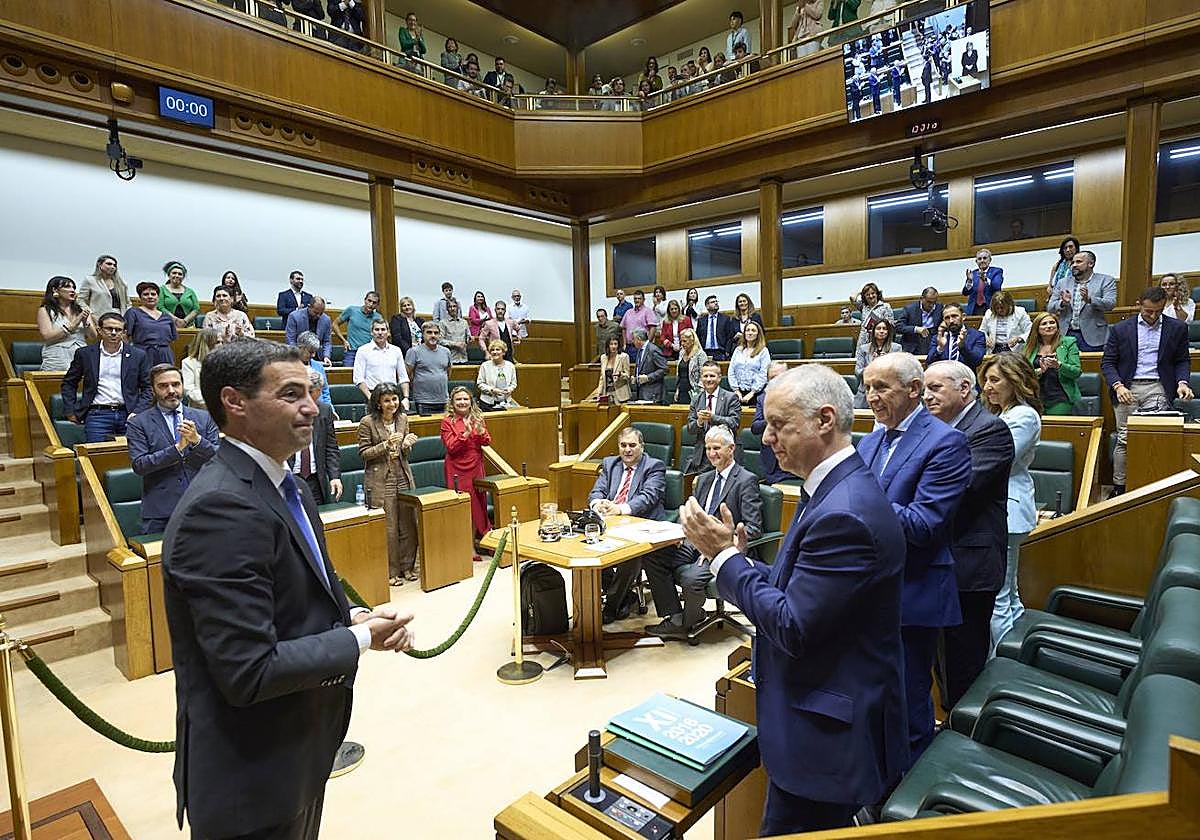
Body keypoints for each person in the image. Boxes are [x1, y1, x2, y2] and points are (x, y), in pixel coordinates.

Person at [162, 340, 415, 840]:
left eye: (312, 393)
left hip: (299, 750)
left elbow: (303, 589)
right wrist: (362, 639)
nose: (312, 408)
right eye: (291, 394)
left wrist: (353, 617)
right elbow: (248, 670)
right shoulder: (220, 508)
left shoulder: (289, 486)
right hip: (253, 775)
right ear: (234, 402)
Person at [680, 364, 907, 834]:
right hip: (818, 719)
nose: (766, 439)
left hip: (826, 739)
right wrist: (743, 562)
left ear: (824, 420)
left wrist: (723, 559)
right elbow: (804, 587)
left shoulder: (844, 513)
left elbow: (793, 625)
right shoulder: (834, 488)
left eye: (778, 425)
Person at [858, 352, 970, 763]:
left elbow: (925, 525)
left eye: (881, 387)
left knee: (907, 702)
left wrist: (860, 501)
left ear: (914, 389)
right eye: (867, 388)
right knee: (873, 697)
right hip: (867, 591)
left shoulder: (946, 442)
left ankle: (911, 785)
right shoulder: (869, 441)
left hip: (913, 591)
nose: (872, 396)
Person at [922, 360, 1013, 708]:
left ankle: (966, 732)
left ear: (964, 389)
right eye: (924, 389)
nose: (926, 396)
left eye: (935, 388)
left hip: (968, 568)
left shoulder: (989, 430)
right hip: (936, 561)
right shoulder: (934, 428)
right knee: (940, 663)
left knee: (964, 666)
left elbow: (958, 489)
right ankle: (950, 720)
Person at [644, 426, 761, 639]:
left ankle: (688, 624)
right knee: (653, 556)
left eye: (716, 448)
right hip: (692, 542)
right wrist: (677, 531)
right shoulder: (705, 478)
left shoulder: (746, 480)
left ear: (731, 449)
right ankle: (676, 617)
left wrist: (721, 545)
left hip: (720, 548)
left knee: (691, 578)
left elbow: (753, 528)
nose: (711, 453)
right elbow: (692, 512)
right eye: (708, 448)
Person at [1102, 286, 1194, 496]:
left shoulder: (1177, 328)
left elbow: (1182, 360)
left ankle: (1152, 487)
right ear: (1139, 305)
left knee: (1154, 437)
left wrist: (1182, 382)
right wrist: (1118, 386)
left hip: (1158, 387)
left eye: (1158, 311)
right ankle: (1120, 488)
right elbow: (1108, 362)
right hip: (1127, 387)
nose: (1153, 316)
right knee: (1125, 438)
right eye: (1148, 311)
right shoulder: (1120, 329)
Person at [978, 353, 1042, 651]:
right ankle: (1015, 654)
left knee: (998, 598)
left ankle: (998, 665)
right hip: (1002, 508)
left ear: (1015, 381)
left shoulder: (1023, 416)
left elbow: (999, 459)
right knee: (1010, 593)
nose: (987, 387)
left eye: (995, 380)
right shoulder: (1003, 414)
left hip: (1009, 509)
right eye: (985, 380)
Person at [127, 364, 220, 535]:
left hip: (204, 505)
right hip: (160, 511)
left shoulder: (205, 418)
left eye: (175, 384)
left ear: (182, 385)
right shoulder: (138, 423)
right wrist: (177, 449)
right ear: (153, 390)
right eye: (163, 386)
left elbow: (220, 459)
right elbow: (140, 465)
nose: (171, 390)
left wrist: (197, 441)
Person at [589, 427, 667, 623]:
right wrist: (598, 504)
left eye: (632, 445)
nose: (627, 450)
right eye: (623, 445)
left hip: (642, 523)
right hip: (611, 523)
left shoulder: (654, 466)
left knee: (630, 557)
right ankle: (625, 596)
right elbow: (597, 491)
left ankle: (612, 606)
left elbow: (648, 498)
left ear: (642, 446)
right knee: (589, 548)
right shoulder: (610, 464)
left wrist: (619, 508)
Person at [359, 382, 419, 585]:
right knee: (389, 527)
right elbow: (364, 453)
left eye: (394, 399)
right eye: (387, 400)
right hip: (381, 479)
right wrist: (386, 444)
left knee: (409, 524)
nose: (392, 404)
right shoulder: (367, 422)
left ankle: (407, 567)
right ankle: (392, 572)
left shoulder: (403, 419)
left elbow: (404, 452)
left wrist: (406, 445)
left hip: (402, 475)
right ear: (378, 403)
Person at [61, 312, 152, 443]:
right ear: (100, 330)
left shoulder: (138, 355)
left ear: (124, 332)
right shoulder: (85, 354)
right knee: (97, 453)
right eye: (109, 329)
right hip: (97, 415)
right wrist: (70, 410)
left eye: (118, 330)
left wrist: (138, 411)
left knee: (133, 453)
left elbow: (148, 388)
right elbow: (69, 383)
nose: (113, 333)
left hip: (129, 414)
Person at [441, 386, 492, 547]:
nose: (462, 402)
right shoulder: (447, 422)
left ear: (471, 402)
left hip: (475, 466)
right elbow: (451, 447)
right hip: (457, 469)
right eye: (458, 399)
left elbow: (486, 441)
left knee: (478, 505)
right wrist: (466, 434)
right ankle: (466, 546)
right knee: (465, 506)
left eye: (465, 399)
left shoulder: (477, 418)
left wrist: (481, 432)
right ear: (452, 403)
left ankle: (479, 540)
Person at [1047, 249, 1117, 352]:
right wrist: (1063, 303)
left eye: (1078, 262)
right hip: (1066, 334)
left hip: (1093, 335)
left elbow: (1110, 304)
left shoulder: (1105, 280)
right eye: (1073, 262)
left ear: (1091, 264)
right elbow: (1050, 307)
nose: (1074, 265)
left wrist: (1090, 300)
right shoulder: (1062, 283)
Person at [684, 361, 741, 472]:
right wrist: (699, 422)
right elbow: (690, 429)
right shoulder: (696, 399)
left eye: (712, 376)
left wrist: (713, 418)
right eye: (705, 376)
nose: (708, 379)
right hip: (702, 456)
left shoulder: (731, 397)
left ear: (719, 378)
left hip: (724, 454)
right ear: (701, 378)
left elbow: (734, 423)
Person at [751, 362, 799, 484]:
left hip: (797, 460)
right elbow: (755, 427)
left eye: (780, 376)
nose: (776, 381)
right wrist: (772, 419)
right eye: (772, 378)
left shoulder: (800, 396)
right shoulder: (762, 398)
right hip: (773, 465)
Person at [1026, 312, 1082, 415]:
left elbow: (1076, 372)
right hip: (1034, 397)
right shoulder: (1030, 346)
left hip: (1060, 396)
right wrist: (1039, 371)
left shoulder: (1068, 342)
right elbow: (1023, 374)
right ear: (1037, 328)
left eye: (1052, 322)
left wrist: (1059, 365)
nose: (1049, 326)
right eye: (1044, 324)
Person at [37, 275, 96, 371]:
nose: (72, 290)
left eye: (74, 288)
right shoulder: (46, 310)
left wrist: (85, 322)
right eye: (67, 287)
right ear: (55, 290)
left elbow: (93, 337)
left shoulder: (82, 310)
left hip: (81, 353)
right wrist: (75, 323)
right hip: (57, 356)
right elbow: (47, 336)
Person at [353, 320, 410, 405]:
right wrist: (370, 398)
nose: (380, 333)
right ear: (371, 332)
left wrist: (406, 398)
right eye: (377, 330)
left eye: (383, 329)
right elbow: (358, 378)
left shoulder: (396, 350)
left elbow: (403, 377)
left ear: (388, 332)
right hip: (373, 394)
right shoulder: (363, 350)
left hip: (392, 395)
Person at [125, 282, 178, 367]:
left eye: (153, 294)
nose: (150, 297)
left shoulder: (167, 316)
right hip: (142, 353)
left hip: (165, 355)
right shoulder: (133, 312)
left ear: (158, 297)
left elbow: (173, 339)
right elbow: (125, 336)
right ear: (140, 297)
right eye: (146, 294)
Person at [406, 322, 453, 414]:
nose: (433, 335)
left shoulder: (446, 352)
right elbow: (408, 374)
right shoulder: (414, 351)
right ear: (423, 335)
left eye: (436, 333)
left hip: (443, 399)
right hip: (423, 401)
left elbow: (448, 373)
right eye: (429, 332)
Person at [854, 319, 900, 408]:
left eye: (884, 329)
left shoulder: (896, 348)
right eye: (878, 328)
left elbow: (897, 372)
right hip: (865, 395)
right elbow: (858, 372)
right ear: (873, 331)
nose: (881, 331)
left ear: (888, 332)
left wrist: (886, 363)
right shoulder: (863, 349)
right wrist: (872, 365)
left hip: (888, 391)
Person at [333, 290, 384, 370]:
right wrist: (343, 340)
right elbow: (335, 324)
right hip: (352, 351)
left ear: (377, 305)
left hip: (370, 352)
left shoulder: (378, 317)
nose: (371, 304)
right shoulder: (352, 310)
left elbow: (382, 334)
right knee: (347, 374)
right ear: (365, 300)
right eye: (369, 301)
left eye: (374, 303)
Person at [926, 303, 986, 369]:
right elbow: (929, 362)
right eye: (947, 318)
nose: (951, 321)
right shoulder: (938, 337)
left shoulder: (977, 335)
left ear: (963, 317)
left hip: (965, 374)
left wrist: (962, 347)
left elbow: (977, 361)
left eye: (954, 316)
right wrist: (940, 348)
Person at [728, 321, 770, 406]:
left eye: (753, 330)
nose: (750, 333)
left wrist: (752, 393)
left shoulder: (763, 351)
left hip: (756, 394)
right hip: (737, 394)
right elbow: (731, 371)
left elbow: (764, 373)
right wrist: (736, 391)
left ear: (758, 334)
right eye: (747, 330)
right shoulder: (738, 350)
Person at [980, 289, 1031, 354]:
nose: (999, 310)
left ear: (1009, 305)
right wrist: (986, 339)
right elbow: (982, 331)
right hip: (994, 349)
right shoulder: (989, 313)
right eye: (997, 308)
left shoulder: (1020, 312)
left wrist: (1019, 338)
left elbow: (1030, 330)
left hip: (1014, 349)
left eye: (1002, 307)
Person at [285, 297, 333, 364]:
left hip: (318, 357)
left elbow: (327, 341)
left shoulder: (326, 319)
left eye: (321, 313)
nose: (318, 316)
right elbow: (291, 340)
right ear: (309, 307)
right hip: (298, 355)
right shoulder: (294, 316)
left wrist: (326, 356)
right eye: (316, 312)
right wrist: (297, 355)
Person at [896, 287, 942, 356]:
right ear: (921, 298)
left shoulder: (939, 307)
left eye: (934, 302)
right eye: (929, 302)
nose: (931, 305)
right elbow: (898, 327)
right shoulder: (909, 309)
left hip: (932, 341)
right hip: (914, 342)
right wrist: (916, 329)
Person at [180, 329, 219, 410]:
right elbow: (189, 390)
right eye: (218, 342)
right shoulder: (188, 363)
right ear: (208, 344)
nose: (222, 345)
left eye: (222, 342)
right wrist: (213, 400)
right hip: (201, 408)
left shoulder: (223, 361)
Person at [587, 335, 632, 403]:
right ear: (608, 345)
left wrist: (621, 375)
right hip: (607, 392)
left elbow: (627, 376)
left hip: (621, 393)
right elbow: (602, 377)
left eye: (615, 344)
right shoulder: (603, 357)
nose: (613, 346)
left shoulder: (624, 357)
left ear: (618, 345)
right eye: (611, 344)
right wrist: (599, 392)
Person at [477, 340, 518, 411]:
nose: (495, 352)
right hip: (487, 403)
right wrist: (492, 390)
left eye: (498, 349)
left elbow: (513, 383)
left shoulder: (510, 365)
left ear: (503, 352)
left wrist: (509, 389)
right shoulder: (485, 365)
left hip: (506, 402)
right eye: (492, 350)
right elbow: (480, 383)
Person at [961, 249, 1004, 316]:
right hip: (974, 309)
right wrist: (969, 281)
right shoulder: (973, 274)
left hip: (990, 307)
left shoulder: (996, 271)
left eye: (985, 258)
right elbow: (965, 293)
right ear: (976, 261)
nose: (982, 261)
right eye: (979, 259)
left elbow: (996, 287)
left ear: (990, 260)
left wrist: (985, 279)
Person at [628, 328, 666, 403]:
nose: (632, 342)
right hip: (641, 392)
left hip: (653, 393)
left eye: (633, 339)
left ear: (638, 339)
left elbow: (664, 369)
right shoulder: (640, 350)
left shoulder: (653, 350)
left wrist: (648, 377)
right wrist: (636, 378)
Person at [160, 261, 200, 329]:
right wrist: (175, 320)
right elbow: (160, 307)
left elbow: (196, 309)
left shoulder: (190, 291)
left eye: (180, 274)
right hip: (167, 325)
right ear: (169, 275)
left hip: (188, 326)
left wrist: (185, 321)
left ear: (183, 277)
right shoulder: (162, 290)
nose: (177, 275)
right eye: (174, 273)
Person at [697, 295, 737, 362]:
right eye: (713, 302)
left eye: (716, 301)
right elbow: (698, 336)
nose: (716, 303)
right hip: (705, 352)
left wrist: (727, 351)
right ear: (707, 306)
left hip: (720, 352)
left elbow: (730, 336)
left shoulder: (725, 319)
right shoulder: (701, 320)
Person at [674, 327, 707, 405]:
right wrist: (677, 390)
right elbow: (679, 374)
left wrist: (695, 394)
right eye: (681, 341)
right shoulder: (681, 353)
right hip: (682, 390)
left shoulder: (700, 354)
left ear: (692, 341)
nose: (682, 344)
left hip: (694, 390)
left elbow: (704, 375)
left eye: (685, 341)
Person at [297, 331, 332, 406]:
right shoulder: (290, 366)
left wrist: (330, 409)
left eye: (315, 352)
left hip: (321, 408)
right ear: (301, 348)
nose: (313, 355)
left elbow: (325, 391)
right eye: (311, 352)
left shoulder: (318, 366)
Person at [620, 289, 660, 354]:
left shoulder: (648, 311)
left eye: (639, 298)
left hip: (642, 346)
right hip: (629, 346)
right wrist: (624, 344)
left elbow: (653, 328)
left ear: (643, 300)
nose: (637, 300)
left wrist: (647, 344)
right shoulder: (628, 312)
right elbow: (623, 328)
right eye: (635, 298)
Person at [854, 282, 892, 347]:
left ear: (877, 294)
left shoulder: (885, 306)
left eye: (873, 293)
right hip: (864, 339)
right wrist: (860, 292)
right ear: (864, 296)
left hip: (880, 338)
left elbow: (890, 324)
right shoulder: (863, 307)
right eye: (867, 294)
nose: (871, 296)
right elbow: (852, 298)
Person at [436, 298, 470, 364]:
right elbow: (439, 340)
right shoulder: (442, 323)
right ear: (447, 309)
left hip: (463, 358)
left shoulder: (464, 322)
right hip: (450, 359)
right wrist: (454, 344)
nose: (452, 308)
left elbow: (467, 337)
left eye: (454, 306)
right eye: (450, 307)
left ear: (458, 308)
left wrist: (469, 339)